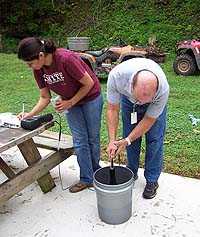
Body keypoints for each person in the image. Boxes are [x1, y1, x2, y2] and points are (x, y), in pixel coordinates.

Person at [17, 37, 103, 193]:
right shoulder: (39, 69)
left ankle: (97, 173)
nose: (30, 67)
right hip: (71, 102)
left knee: (92, 138)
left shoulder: (66, 59)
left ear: (41, 55)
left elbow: (89, 83)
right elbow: (45, 97)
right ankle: (86, 179)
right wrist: (29, 114)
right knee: (80, 141)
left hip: (91, 98)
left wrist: (70, 102)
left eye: (30, 63)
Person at [106, 58, 169, 199]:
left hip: (154, 106)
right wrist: (112, 140)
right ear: (131, 86)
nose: (142, 103)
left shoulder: (163, 90)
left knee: (154, 141)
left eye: (146, 99)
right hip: (129, 104)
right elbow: (112, 109)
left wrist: (128, 140)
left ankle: (152, 180)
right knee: (129, 137)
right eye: (139, 98)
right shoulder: (117, 77)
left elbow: (149, 119)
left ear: (156, 90)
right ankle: (131, 172)